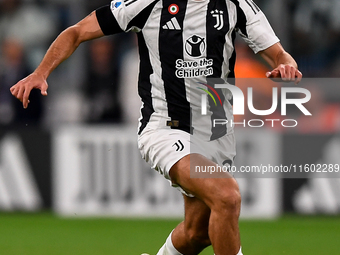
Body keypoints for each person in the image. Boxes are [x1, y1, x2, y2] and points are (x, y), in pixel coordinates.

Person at [10, 0, 302, 254]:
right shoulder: (148, 3)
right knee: (227, 196)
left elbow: (278, 53)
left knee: (197, 233)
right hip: (166, 128)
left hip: (216, 131)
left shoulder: (235, 5)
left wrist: (286, 65)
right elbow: (77, 31)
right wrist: (40, 72)